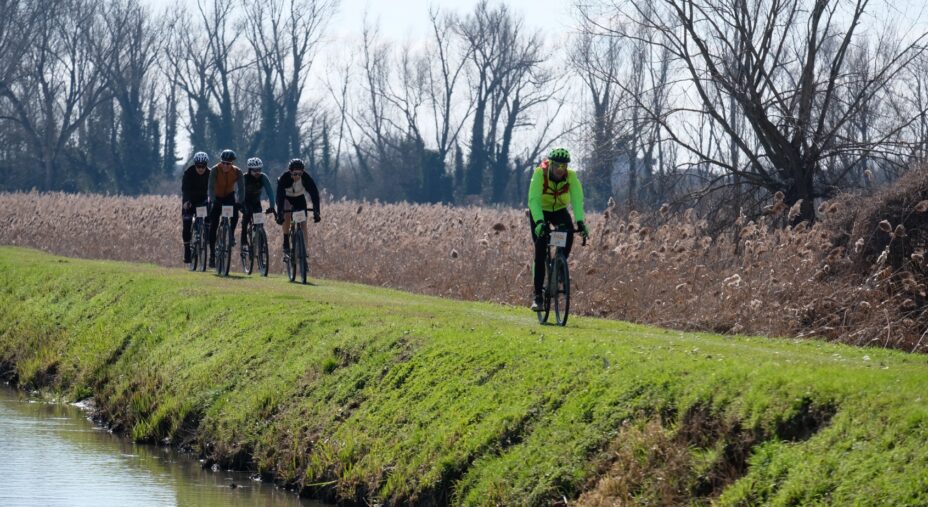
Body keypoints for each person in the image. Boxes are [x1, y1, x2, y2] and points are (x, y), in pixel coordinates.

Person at [527, 147, 589, 311]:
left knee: (568, 234)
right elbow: (533, 200)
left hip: (559, 211)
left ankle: (558, 265)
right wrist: (540, 222)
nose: (561, 170)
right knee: (540, 250)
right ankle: (538, 296)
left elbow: (577, 199)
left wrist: (581, 222)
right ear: (551, 164)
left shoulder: (571, 177)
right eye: (557, 166)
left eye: (564, 167)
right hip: (541, 211)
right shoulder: (540, 174)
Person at [275, 158, 321, 257]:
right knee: (287, 213)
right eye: (295, 174)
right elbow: (280, 197)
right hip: (286, 198)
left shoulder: (306, 178)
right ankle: (286, 239)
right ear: (290, 171)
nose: (297, 176)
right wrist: (280, 213)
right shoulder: (284, 178)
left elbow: (314, 194)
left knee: (303, 224)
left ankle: (305, 250)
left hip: (299, 198)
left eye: (299, 174)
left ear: (303, 172)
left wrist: (317, 212)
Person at [207, 149, 244, 268]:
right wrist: (213, 200)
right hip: (217, 197)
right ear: (221, 162)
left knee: (235, 215)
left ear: (232, 163)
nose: (226, 165)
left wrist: (240, 202)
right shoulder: (214, 170)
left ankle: (231, 234)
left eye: (228, 163)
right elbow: (210, 188)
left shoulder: (238, 172)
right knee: (213, 224)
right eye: (224, 163)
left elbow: (241, 189)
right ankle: (212, 255)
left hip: (229, 196)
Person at [239, 157, 276, 250]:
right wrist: (241, 206)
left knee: (259, 223)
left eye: (259, 169)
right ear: (249, 170)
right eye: (255, 170)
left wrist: (272, 206)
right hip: (245, 201)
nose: (257, 172)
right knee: (246, 218)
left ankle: (260, 241)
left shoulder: (263, 177)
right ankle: (244, 240)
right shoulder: (244, 178)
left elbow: (270, 192)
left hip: (256, 202)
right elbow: (239, 193)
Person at [181, 151, 211, 267]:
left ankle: (207, 234)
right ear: (195, 165)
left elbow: (212, 189)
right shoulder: (188, 173)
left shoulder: (210, 173)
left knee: (210, 211)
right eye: (198, 166)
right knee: (187, 224)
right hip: (190, 201)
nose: (201, 169)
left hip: (202, 200)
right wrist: (186, 202)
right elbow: (185, 190)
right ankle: (187, 250)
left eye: (203, 166)